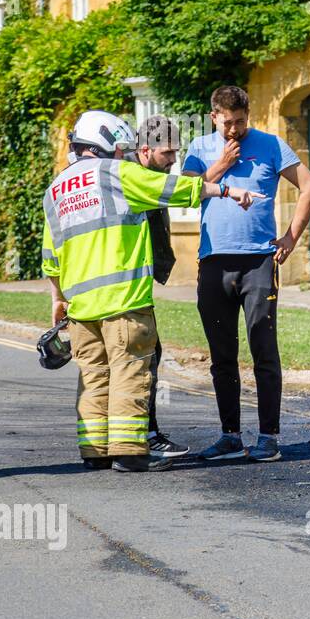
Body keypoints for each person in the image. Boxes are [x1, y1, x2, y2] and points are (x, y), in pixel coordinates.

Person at [43, 110, 262, 472]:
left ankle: (94, 453)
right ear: (107, 145)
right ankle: (130, 452)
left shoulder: (55, 190)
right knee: (130, 371)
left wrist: (57, 298)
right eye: (119, 148)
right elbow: (175, 190)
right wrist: (225, 189)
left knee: (95, 378)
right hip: (123, 300)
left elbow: (51, 256)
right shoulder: (117, 173)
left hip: (80, 307)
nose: (121, 154)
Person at [182, 85, 310, 463]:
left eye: (240, 122)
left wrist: (291, 237)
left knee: (263, 349)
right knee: (221, 355)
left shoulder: (272, 145)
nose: (234, 130)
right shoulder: (198, 148)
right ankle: (229, 436)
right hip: (213, 262)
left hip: (258, 262)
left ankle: (268, 437)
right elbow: (187, 194)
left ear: (248, 115)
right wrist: (222, 165)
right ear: (214, 117)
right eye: (227, 123)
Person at [129, 115, 189, 458]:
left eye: (176, 152)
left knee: (142, 358)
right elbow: (185, 193)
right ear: (146, 149)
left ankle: (118, 441)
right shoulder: (133, 176)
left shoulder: (149, 173)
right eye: (168, 153)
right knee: (142, 359)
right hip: (122, 290)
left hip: (131, 286)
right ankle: (143, 438)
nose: (174, 160)